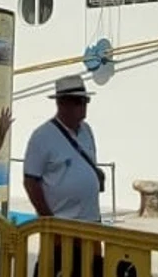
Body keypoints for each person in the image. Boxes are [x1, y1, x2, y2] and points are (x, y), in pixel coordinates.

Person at [21, 76, 102, 222]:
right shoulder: (42, 136)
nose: (84, 106)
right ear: (62, 103)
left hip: (91, 221)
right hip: (63, 222)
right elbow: (31, 181)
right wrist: (48, 220)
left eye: (86, 101)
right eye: (78, 102)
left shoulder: (87, 131)